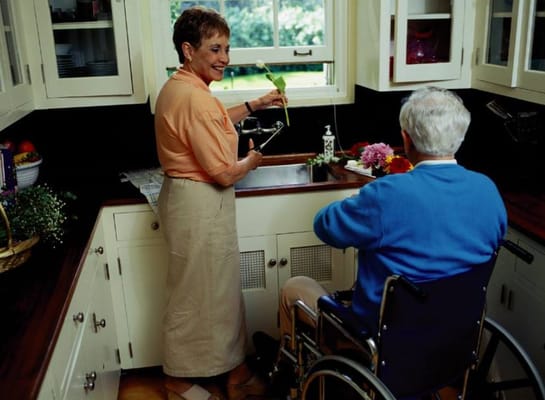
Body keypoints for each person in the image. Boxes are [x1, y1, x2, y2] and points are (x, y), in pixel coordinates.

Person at [279, 86, 507, 342]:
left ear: (406, 138)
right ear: (460, 137)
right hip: (455, 335)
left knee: (294, 287)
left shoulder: (386, 195)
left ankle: (293, 373)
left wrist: (357, 202)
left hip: (384, 336)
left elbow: (324, 226)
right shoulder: (487, 189)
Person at [154, 5, 287, 400]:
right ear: (188, 49)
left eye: (226, 48)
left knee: (215, 293)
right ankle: (178, 381)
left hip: (196, 203)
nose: (224, 58)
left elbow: (213, 120)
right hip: (198, 203)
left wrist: (257, 103)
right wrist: (252, 161)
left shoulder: (185, 87)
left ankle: (235, 371)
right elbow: (223, 172)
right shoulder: (192, 96)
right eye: (214, 49)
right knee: (197, 295)